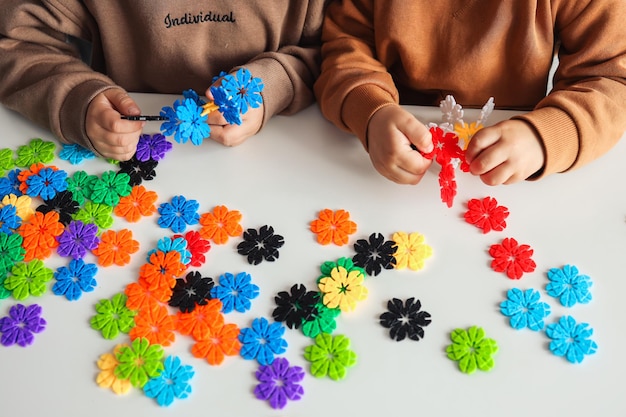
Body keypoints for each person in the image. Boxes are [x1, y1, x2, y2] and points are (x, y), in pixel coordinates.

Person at [314, 1, 626, 186]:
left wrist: (546, 136)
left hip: (513, 170)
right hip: (388, 162)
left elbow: (610, 79)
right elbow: (346, 49)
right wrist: (370, 110)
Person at [0, 1, 327, 160]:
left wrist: (279, 82)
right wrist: (74, 97)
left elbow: (336, 49)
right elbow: (16, 45)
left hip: (285, 156)